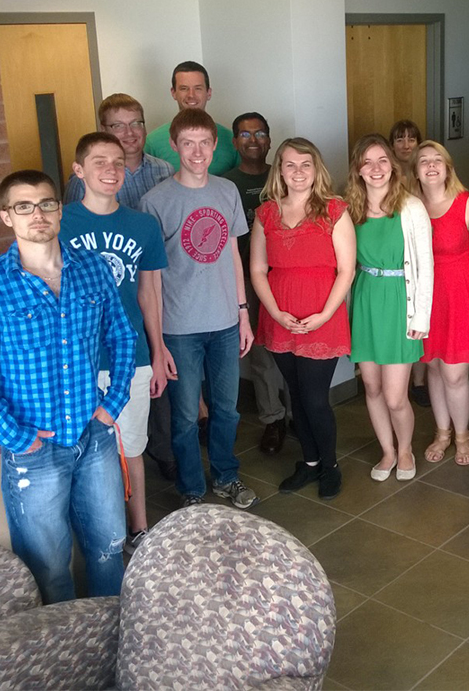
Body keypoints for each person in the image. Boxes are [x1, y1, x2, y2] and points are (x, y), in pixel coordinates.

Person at [0, 169, 136, 603]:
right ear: (7, 217)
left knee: (110, 550)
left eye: (46, 203)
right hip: (33, 449)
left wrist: (112, 404)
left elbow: (124, 337)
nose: (37, 214)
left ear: (60, 209)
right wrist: (17, 438)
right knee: (49, 569)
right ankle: (64, 658)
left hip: (94, 437)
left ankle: (111, 637)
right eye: (24, 206)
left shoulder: (91, 269)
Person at [139, 108, 257, 510]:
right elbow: (150, 278)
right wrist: (158, 343)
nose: (197, 152)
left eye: (204, 143)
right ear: (174, 146)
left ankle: (226, 475)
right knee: (186, 417)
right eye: (187, 143)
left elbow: (234, 257)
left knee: (227, 410)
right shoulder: (154, 202)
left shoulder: (226, 192)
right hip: (180, 328)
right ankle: (192, 487)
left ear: (214, 145)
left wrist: (243, 313)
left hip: (225, 322)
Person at [60, 132, 170, 554]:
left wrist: (158, 352)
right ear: (79, 170)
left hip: (132, 356)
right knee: (87, 450)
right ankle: (101, 533)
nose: (110, 170)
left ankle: (139, 527)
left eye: (117, 163)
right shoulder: (62, 223)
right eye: (99, 161)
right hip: (80, 359)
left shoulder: (141, 224)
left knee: (132, 445)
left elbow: (148, 294)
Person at [250, 138, 355, 500]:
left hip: (322, 317)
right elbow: (258, 270)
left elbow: (346, 270)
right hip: (279, 316)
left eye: (305, 164)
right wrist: (277, 312)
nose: (298, 171)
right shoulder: (266, 213)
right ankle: (309, 463)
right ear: (279, 169)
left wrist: (323, 315)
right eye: (290, 164)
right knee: (294, 393)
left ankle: (330, 466)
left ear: (317, 168)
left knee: (314, 399)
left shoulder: (334, 209)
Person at [345, 134, 433, 482]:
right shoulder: (349, 209)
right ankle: (387, 451)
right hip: (366, 300)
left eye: (383, 160)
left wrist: (421, 317)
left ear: (392, 166)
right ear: (358, 169)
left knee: (397, 396)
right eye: (368, 161)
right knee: (372, 388)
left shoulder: (410, 207)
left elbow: (425, 267)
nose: (376, 168)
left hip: (400, 301)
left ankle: (406, 448)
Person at [413, 140, 469, 466]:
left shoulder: (468, 204)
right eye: (424, 161)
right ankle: (442, 432)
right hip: (427, 298)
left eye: (438, 160)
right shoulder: (411, 206)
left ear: (448, 167)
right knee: (433, 367)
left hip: (460, 296)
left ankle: (463, 434)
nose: (431, 166)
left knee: (455, 375)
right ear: (415, 170)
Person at [222, 112, 288, 455]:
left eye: (260, 133)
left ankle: (298, 413)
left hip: (289, 276)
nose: (252, 139)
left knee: (294, 348)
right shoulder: (224, 183)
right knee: (262, 354)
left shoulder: (287, 177)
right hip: (247, 279)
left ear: (269, 139)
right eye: (245, 134)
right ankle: (273, 418)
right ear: (234, 142)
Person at [63, 93, 174, 208]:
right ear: (103, 130)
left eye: (135, 124)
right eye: (118, 126)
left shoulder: (165, 170)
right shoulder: (84, 179)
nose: (129, 132)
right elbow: (72, 221)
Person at [388, 118, 431, 409]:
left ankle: (420, 379)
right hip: (394, 258)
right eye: (399, 139)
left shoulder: (424, 174)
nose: (405, 145)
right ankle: (407, 382)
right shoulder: (386, 174)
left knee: (421, 317)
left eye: (411, 139)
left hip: (423, 253)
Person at [143, 61, 240, 176]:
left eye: (198, 88)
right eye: (184, 88)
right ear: (173, 93)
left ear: (208, 93)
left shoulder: (231, 140)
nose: (191, 95)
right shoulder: (152, 142)